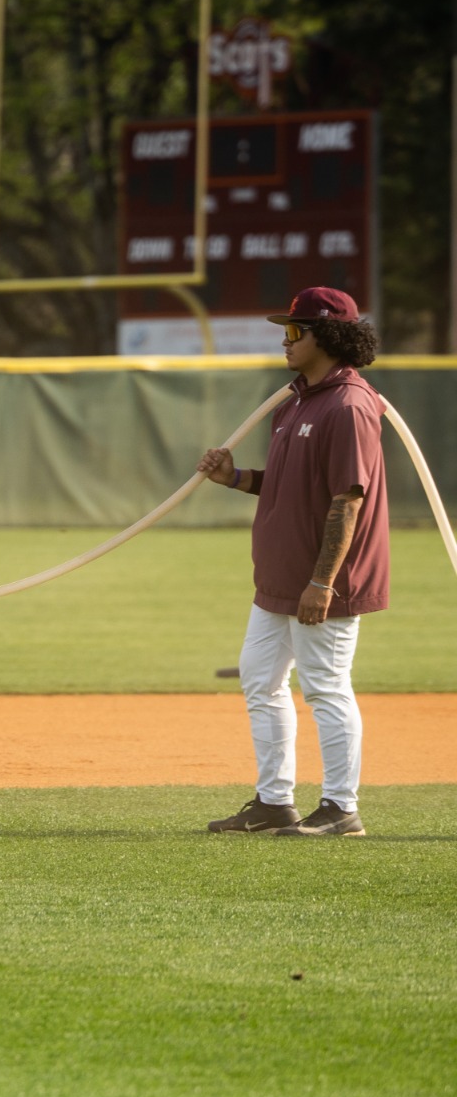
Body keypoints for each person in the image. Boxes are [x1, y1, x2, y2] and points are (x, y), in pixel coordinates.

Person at [198, 287, 387, 837]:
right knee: (261, 679)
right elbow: (288, 486)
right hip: (279, 579)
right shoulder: (297, 399)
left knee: (326, 686)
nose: (285, 341)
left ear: (326, 335)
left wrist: (321, 582)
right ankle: (274, 801)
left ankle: (340, 808)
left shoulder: (349, 404)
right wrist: (233, 478)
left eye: (294, 331)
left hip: (319, 581)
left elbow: (347, 498)